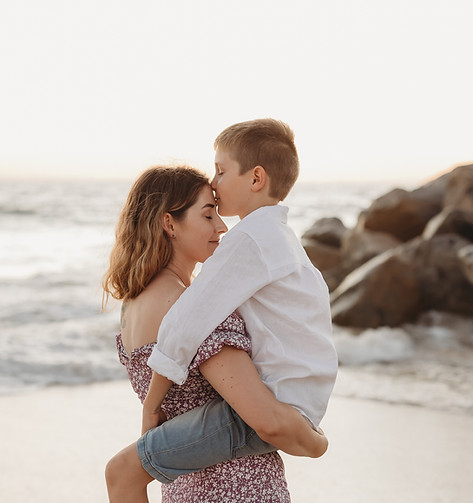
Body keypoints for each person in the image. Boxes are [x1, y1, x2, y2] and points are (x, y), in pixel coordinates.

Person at [103, 165, 329, 502]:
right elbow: (268, 422)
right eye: (208, 215)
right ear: (169, 223)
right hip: (237, 486)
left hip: (182, 488)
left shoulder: (133, 305)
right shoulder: (191, 306)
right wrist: (317, 442)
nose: (222, 227)